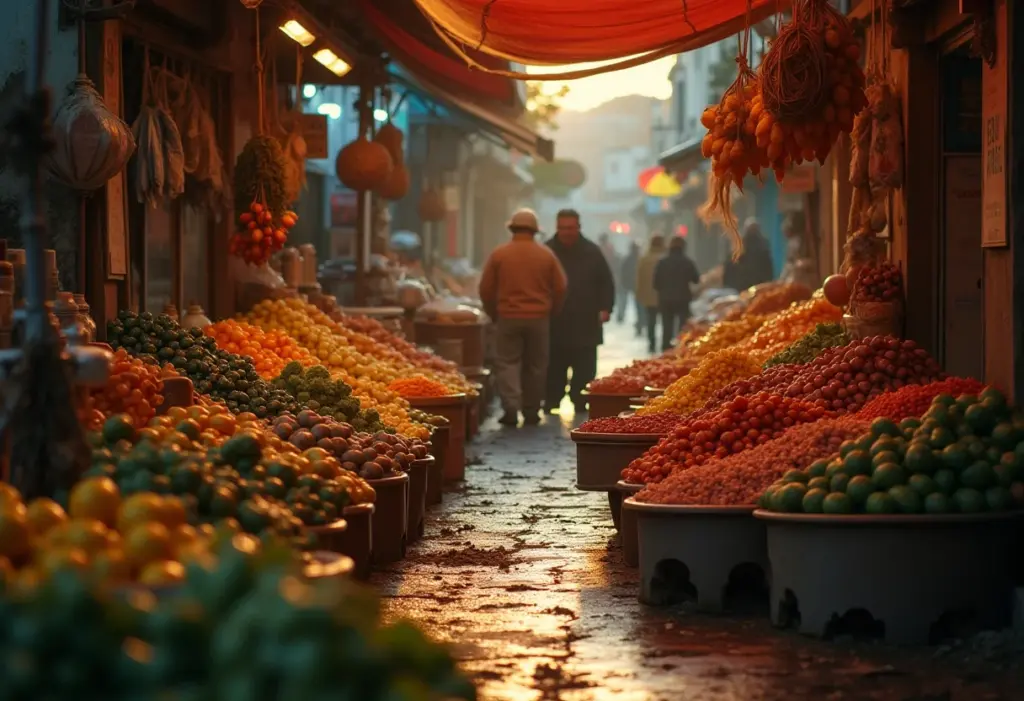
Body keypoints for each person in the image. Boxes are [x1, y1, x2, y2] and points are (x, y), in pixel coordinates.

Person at [479, 208, 568, 427]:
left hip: (508, 317)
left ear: (512, 229)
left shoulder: (500, 254)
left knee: (507, 362)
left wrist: (493, 312)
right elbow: (561, 287)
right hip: (539, 318)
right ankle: (531, 410)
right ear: (535, 230)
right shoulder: (546, 255)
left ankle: (511, 407)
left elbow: (486, 288)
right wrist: (552, 310)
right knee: (536, 365)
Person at [545, 209, 615, 415]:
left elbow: (606, 282)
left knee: (585, 365)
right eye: (562, 228)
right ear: (557, 228)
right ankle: (552, 399)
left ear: (578, 227)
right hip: (555, 319)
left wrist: (606, 308)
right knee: (554, 364)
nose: (566, 232)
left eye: (570, 228)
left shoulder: (592, 251)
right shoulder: (547, 251)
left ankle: (580, 399)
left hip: (586, 318)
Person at [653, 236, 701, 351]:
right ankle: (681, 349)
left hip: (665, 299)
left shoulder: (662, 262)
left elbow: (655, 283)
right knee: (682, 326)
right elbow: (696, 279)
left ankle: (665, 349)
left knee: (666, 326)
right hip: (683, 299)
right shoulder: (688, 262)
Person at [722, 218, 775, 292]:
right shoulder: (742, 245)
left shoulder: (763, 246)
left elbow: (767, 267)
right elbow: (731, 264)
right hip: (744, 285)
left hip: (756, 285)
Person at [635, 235, 666, 353]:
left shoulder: (644, 259)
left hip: (648, 295)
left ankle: (652, 343)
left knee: (651, 321)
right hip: (663, 294)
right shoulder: (665, 258)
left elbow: (639, 278)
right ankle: (665, 344)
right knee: (665, 320)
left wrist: (639, 293)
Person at [617, 241, 640, 327]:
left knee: (623, 300)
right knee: (638, 304)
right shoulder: (639, 259)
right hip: (636, 283)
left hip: (626, 283)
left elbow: (622, 271)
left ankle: (621, 315)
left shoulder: (626, 259)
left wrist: (622, 281)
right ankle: (640, 320)